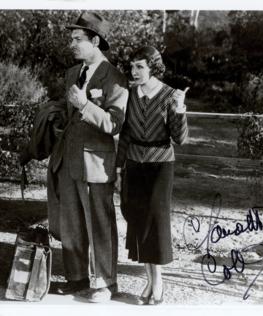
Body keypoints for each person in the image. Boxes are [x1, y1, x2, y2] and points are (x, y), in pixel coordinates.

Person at [48, 12, 129, 303]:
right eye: (71, 39)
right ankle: (77, 277)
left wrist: (85, 105)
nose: (72, 44)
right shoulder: (72, 73)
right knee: (71, 221)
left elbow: (114, 123)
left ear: (95, 41)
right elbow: (68, 114)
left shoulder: (115, 77)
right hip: (69, 160)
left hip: (96, 163)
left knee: (99, 223)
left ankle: (105, 282)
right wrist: (58, 120)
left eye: (77, 39)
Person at [115, 46, 188, 305]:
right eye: (132, 66)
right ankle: (149, 281)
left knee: (155, 223)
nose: (134, 72)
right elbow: (124, 135)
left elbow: (179, 139)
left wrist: (180, 110)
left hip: (160, 167)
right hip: (134, 164)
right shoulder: (130, 94)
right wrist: (118, 168)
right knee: (138, 221)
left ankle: (158, 283)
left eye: (140, 67)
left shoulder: (169, 95)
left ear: (153, 68)